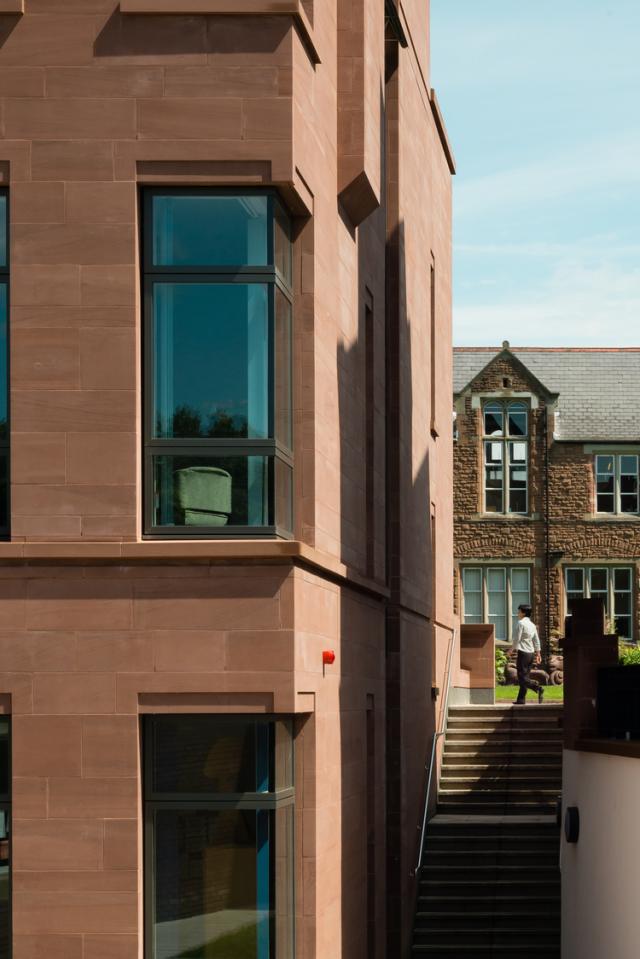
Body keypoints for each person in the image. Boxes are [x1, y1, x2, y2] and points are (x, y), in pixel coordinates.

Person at [512, 604, 544, 705]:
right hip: (531, 653)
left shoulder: (521, 623)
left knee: (522, 676)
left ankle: (537, 687)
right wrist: (538, 653)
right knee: (525, 675)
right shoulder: (532, 625)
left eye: (519, 611)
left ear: (523, 613)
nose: (518, 613)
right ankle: (521, 699)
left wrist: (512, 649)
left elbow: (517, 638)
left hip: (523, 652)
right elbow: (536, 640)